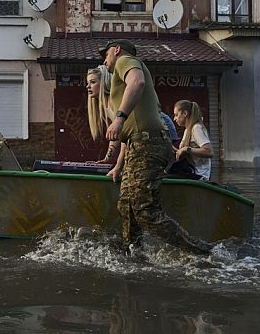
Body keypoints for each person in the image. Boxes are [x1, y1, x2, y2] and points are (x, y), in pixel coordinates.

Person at [100, 39, 213, 255]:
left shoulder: (126, 60)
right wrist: (118, 164)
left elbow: (137, 82)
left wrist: (119, 118)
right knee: (127, 206)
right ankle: (133, 253)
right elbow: (132, 130)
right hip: (138, 144)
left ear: (116, 50)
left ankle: (202, 253)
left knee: (145, 211)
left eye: (105, 55)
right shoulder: (118, 78)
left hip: (148, 143)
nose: (104, 62)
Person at [86, 65, 120, 164]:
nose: (87, 86)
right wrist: (107, 159)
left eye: (92, 82)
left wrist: (118, 164)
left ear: (104, 83)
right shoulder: (105, 104)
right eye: (87, 83)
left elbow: (123, 133)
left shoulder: (112, 101)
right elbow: (116, 135)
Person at [173, 100, 213, 181]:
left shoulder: (196, 128)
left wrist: (186, 149)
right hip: (190, 172)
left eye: (176, 115)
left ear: (185, 114)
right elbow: (185, 153)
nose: (174, 119)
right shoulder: (187, 130)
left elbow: (209, 152)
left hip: (199, 175)